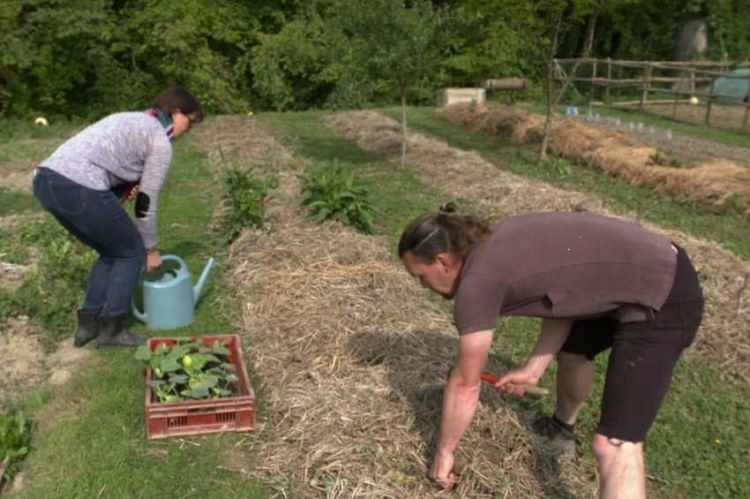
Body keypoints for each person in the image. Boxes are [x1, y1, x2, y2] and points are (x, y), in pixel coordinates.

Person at [398, 204, 703, 498]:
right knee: (572, 353)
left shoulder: (477, 284)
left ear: (442, 261)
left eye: (420, 276)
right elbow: (564, 294)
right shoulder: (492, 244)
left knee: (615, 444)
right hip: (631, 275)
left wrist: (444, 454)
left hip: (664, 293)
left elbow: (465, 384)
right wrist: (534, 368)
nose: (422, 286)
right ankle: (561, 430)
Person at [32, 86, 203, 348]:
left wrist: (121, 187)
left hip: (45, 181)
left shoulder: (131, 118)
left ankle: (88, 325)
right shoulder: (158, 140)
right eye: (189, 123)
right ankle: (112, 330)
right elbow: (146, 203)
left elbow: (106, 159)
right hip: (77, 184)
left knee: (111, 250)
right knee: (131, 251)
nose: (187, 131)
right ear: (176, 112)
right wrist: (151, 249)